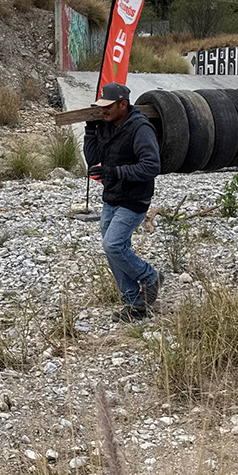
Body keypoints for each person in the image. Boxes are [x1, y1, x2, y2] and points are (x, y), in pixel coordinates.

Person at [84, 82, 162, 322]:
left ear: (123, 104)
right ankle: (134, 303)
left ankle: (150, 278)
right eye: (101, 107)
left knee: (114, 245)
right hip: (112, 197)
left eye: (108, 107)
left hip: (134, 199)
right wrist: (90, 132)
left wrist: (116, 172)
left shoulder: (140, 129)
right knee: (114, 249)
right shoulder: (106, 127)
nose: (103, 111)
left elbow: (152, 166)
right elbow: (94, 159)